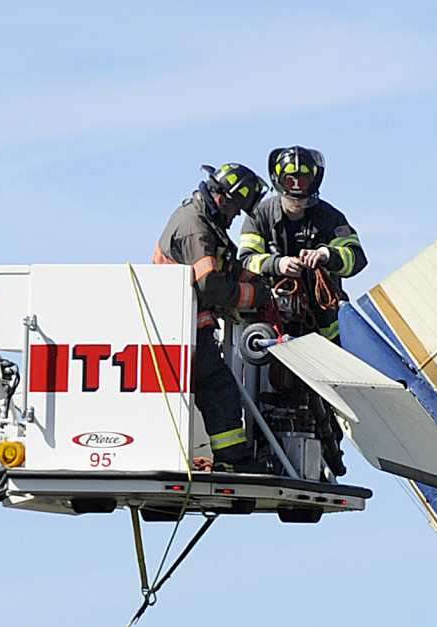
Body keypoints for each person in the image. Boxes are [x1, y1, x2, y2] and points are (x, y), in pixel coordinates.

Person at [238, 145, 367, 475]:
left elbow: (356, 257)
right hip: (273, 322)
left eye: (304, 180)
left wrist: (326, 255)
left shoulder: (329, 217)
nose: (298, 188)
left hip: (322, 322)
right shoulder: (261, 215)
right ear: (280, 181)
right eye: (291, 179)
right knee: (269, 388)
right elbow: (245, 259)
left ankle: (330, 445)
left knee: (328, 390)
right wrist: (276, 263)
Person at [153, 162, 267, 469]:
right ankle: (236, 461)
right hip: (182, 329)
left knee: (215, 389)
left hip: (187, 328)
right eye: (236, 211)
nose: (234, 219)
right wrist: (255, 297)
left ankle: (233, 458)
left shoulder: (204, 220)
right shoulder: (195, 226)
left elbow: (223, 264)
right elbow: (210, 285)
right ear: (223, 199)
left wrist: (257, 280)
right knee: (219, 390)